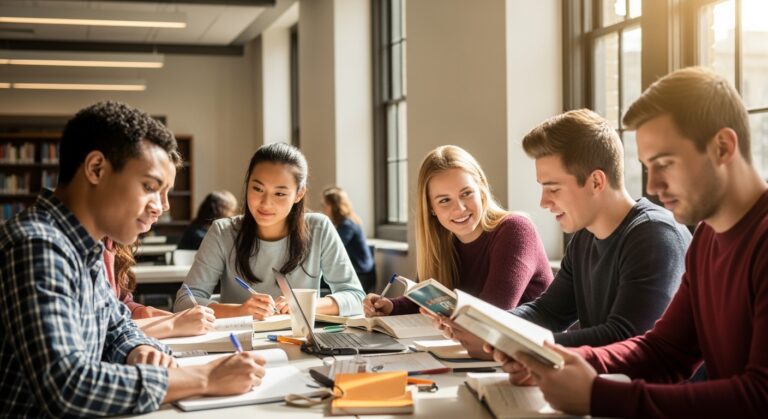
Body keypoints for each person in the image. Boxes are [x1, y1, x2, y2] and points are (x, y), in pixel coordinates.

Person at [493, 67, 768, 418]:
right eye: (648, 167)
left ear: (723, 147)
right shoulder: (707, 239)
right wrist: (552, 358)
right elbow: (664, 351)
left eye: (665, 163)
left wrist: (599, 395)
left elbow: (760, 396)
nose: (652, 186)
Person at [0, 101, 265, 416]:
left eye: (165, 192)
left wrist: (137, 349)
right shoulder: (37, 245)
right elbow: (67, 384)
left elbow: (116, 326)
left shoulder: (85, 246)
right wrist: (205, 378)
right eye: (150, 187)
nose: (162, 206)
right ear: (96, 169)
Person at [437, 109, 691, 360]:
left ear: (596, 182)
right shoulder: (584, 238)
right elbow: (548, 312)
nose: (543, 202)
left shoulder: (654, 235)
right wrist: (481, 326)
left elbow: (624, 337)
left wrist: (507, 341)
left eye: (553, 189)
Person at [363, 145, 553, 325]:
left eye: (466, 193)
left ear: (481, 189)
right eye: (444, 200)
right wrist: (390, 306)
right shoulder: (442, 241)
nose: (459, 209)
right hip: (480, 345)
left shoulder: (515, 230)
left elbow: (492, 314)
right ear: (431, 208)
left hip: (533, 346)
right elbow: (427, 301)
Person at [174, 142, 365, 319]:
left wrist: (306, 305)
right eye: (257, 189)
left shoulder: (319, 228)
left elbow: (356, 297)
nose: (265, 203)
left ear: (299, 194)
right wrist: (239, 311)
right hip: (239, 340)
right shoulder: (223, 231)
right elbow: (184, 301)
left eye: (280, 193)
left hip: (299, 338)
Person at [104, 238, 216, 338]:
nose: (157, 216)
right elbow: (103, 328)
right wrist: (172, 324)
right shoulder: (98, 253)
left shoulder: (114, 244)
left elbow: (120, 302)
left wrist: (140, 312)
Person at [321, 186, 375, 291]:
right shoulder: (343, 223)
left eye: (325, 205)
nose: (323, 208)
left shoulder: (347, 225)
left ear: (334, 206)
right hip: (358, 271)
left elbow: (332, 247)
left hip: (361, 275)